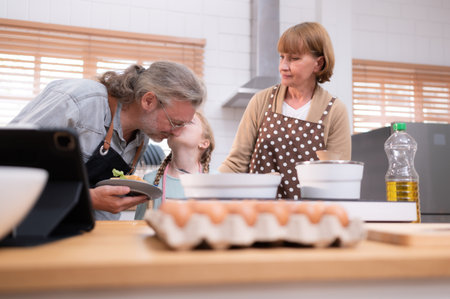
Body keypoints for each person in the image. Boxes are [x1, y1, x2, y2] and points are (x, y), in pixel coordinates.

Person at [9, 61, 206, 220]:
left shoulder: (140, 139)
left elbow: (102, 207)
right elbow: (9, 167)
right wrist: (88, 198)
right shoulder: (78, 100)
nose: (176, 132)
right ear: (148, 101)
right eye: (176, 122)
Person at [218, 22, 351, 200]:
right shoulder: (261, 101)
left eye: (294, 58)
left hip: (310, 220)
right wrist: (208, 189)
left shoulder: (334, 111)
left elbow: (338, 180)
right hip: (259, 214)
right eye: (282, 57)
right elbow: (236, 164)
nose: (283, 66)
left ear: (318, 64)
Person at [134, 111, 215, 220]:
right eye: (177, 122)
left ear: (204, 143)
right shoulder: (150, 181)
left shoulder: (215, 181)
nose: (179, 124)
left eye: (189, 121)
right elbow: (139, 229)